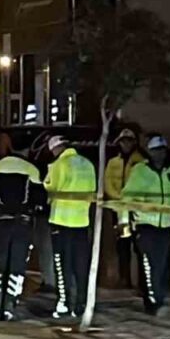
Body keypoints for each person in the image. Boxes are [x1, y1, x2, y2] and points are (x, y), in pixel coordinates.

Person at [121, 133, 170, 316]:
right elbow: (127, 196)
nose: (159, 154)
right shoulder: (140, 171)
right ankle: (153, 302)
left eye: (162, 151)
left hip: (165, 225)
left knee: (160, 264)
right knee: (148, 264)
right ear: (150, 152)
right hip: (146, 224)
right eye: (155, 151)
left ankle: (157, 298)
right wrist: (125, 220)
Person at [0, 149, 47, 320]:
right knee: (17, 266)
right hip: (22, 223)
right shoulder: (30, 169)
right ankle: (10, 306)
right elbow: (40, 198)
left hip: (1, 222)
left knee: (1, 266)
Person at [43, 135, 97, 318]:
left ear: (56, 149)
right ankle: (81, 304)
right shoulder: (88, 164)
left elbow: (50, 186)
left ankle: (64, 303)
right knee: (81, 265)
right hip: (82, 220)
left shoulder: (59, 165)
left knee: (62, 265)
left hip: (61, 220)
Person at [103, 126, 145, 288]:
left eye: (129, 141)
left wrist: (131, 199)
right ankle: (124, 277)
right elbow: (108, 183)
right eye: (123, 141)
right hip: (119, 209)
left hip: (136, 209)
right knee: (123, 245)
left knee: (139, 246)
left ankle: (141, 281)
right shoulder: (113, 162)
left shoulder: (141, 161)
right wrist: (119, 199)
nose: (125, 144)